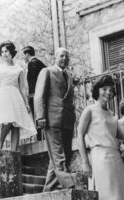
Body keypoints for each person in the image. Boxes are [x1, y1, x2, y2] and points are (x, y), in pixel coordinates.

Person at [78, 75, 124, 200]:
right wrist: (85, 162)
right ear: (97, 90)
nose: (108, 92)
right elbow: (80, 135)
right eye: (104, 89)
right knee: (106, 193)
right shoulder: (89, 111)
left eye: (111, 90)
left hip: (116, 159)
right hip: (100, 158)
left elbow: (112, 137)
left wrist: (121, 147)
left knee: (121, 194)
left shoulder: (112, 114)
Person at [34, 47, 76, 191]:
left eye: (66, 57)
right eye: (61, 56)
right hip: (51, 120)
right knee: (58, 154)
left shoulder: (69, 77)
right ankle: (70, 184)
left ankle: (48, 190)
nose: (64, 59)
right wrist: (40, 116)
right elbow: (39, 95)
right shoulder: (47, 72)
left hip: (67, 121)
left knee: (66, 153)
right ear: (55, 58)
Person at [0, 41, 36, 151]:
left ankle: (14, 151)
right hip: (3, 96)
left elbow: (23, 88)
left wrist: (26, 103)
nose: (4, 54)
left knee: (16, 124)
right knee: (8, 120)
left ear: (11, 52)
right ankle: (0, 142)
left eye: (6, 51)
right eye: (2, 52)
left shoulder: (18, 69)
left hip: (15, 97)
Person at [22, 46, 46, 141]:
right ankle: (42, 137)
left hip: (35, 95)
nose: (23, 58)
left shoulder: (32, 64)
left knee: (37, 117)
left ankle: (40, 138)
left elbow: (33, 82)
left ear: (27, 54)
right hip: (41, 94)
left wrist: (30, 96)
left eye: (23, 55)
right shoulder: (40, 63)